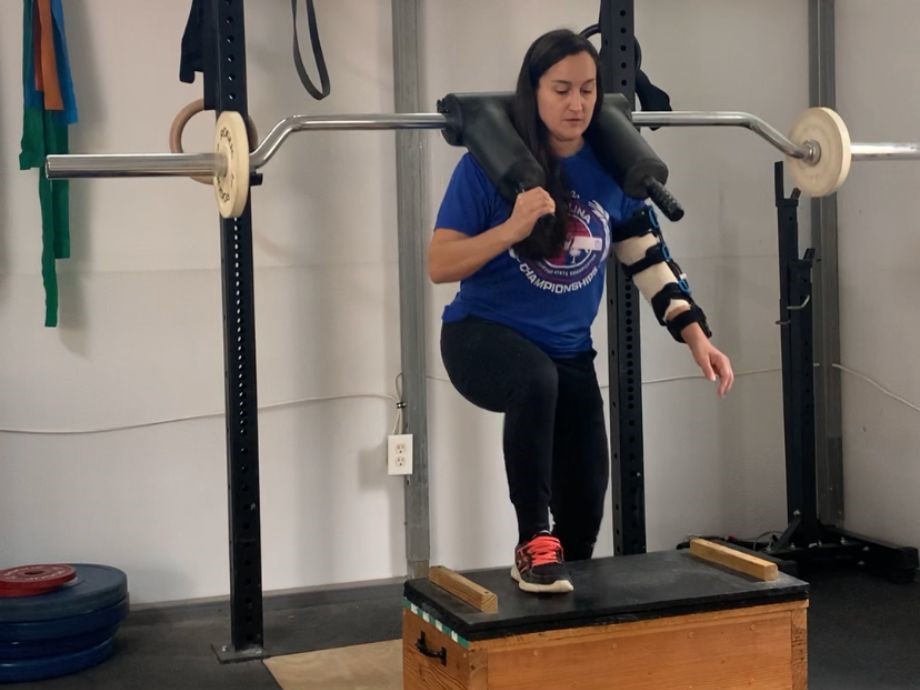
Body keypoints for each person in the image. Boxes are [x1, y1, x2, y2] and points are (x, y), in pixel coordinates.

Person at [428, 29, 734, 595]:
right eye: (561, 89)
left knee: (588, 500)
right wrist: (512, 228)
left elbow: (648, 258)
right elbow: (439, 264)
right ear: (533, 93)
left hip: (569, 352)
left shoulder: (612, 169)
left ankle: (554, 593)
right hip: (480, 338)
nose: (577, 104)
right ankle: (531, 542)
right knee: (535, 381)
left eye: (588, 90)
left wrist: (696, 336)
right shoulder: (486, 167)